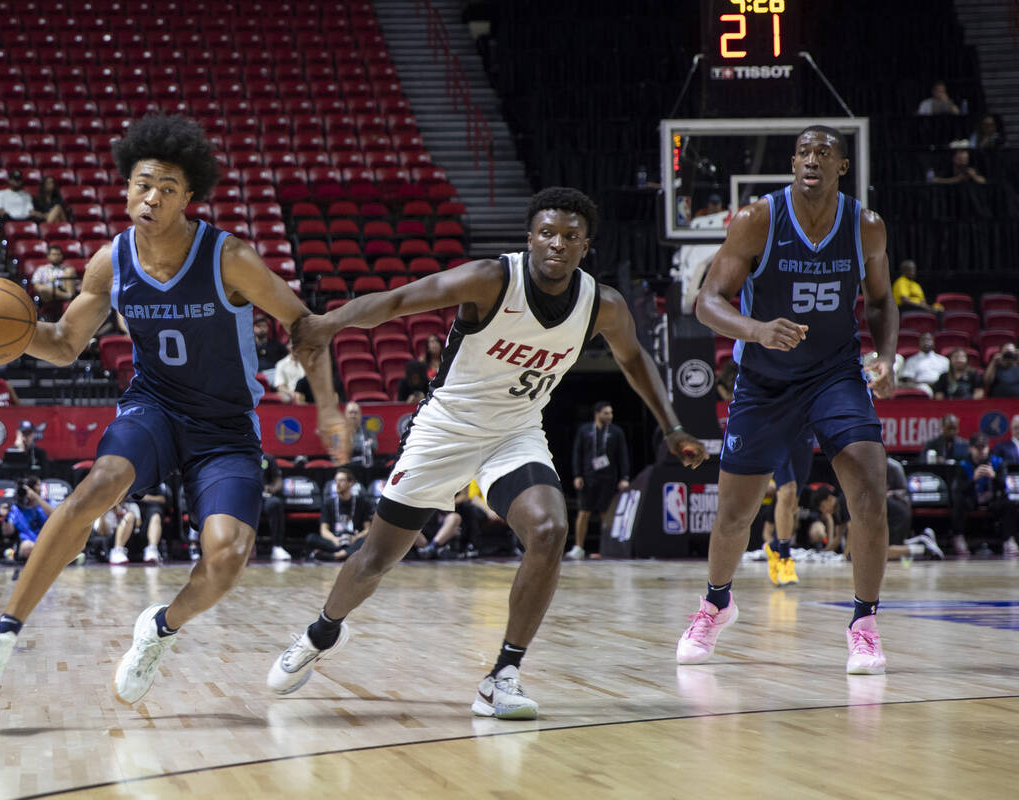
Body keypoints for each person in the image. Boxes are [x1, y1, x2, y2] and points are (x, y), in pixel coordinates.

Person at [267, 186, 707, 719]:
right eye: (547, 233)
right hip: (445, 429)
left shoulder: (603, 305)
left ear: (585, 246)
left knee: (549, 530)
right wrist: (329, 322)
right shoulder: (493, 278)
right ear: (530, 237)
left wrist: (672, 425)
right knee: (376, 559)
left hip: (515, 431)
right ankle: (321, 632)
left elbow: (635, 360)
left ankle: (503, 674)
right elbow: (402, 299)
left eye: (570, 237)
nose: (557, 244)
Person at [0, 114, 345, 703]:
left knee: (229, 555)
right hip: (153, 407)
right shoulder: (111, 263)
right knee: (96, 486)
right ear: (125, 188)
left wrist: (329, 406)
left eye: (166, 188)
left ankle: (160, 629)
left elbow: (305, 326)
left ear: (189, 197)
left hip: (224, 428)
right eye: (142, 184)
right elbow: (61, 344)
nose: (151, 197)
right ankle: (0, 636)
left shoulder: (229, 257)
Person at [676, 125, 897, 676]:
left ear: (842, 166)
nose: (811, 159)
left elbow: (882, 302)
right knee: (735, 513)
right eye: (803, 152)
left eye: (823, 152)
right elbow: (706, 302)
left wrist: (887, 357)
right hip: (765, 380)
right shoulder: (757, 219)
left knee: (870, 490)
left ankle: (864, 625)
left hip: (835, 375)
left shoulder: (865, 227)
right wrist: (754, 330)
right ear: (792, 163)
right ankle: (716, 604)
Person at [568, 400, 629, 560]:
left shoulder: (616, 432)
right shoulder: (585, 430)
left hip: (608, 478)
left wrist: (624, 477)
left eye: (611, 413)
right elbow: (577, 454)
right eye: (606, 413)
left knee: (605, 513)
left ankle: (605, 548)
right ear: (597, 414)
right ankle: (579, 547)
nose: (610, 416)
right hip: (588, 478)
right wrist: (577, 475)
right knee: (584, 512)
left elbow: (622, 456)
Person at [950, 433, 1018, 557]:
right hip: (972, 500)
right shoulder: (963, 465)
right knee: (959, 502)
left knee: (1009, 505)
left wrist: (994, 476)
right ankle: (958, 537)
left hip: (992, 500)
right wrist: (973, 479)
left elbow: (1005, 486)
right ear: (971, 449)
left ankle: (1009, 539)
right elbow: (959, 489)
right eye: (978, 448)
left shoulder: (998, 462)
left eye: (984, 448)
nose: (981, 451)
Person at [762, 430, 814, 587]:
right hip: (777, 428)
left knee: (792, 502)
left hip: (804, 432)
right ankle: (784, 557)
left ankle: (773, 547)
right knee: (787, 490)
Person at [305, 467, 371, 561]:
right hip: (336, 540)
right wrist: (334, 539)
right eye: (336, 481)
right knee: (310, 538)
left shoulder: (362, 503)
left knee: (367, 541)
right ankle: (347, 553)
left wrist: (356, 537)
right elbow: (324, 530)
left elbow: (367, 529)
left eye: (341, 481)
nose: (337, 484)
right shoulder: (328, 503)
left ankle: (336, 555)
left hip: (353, 540)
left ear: (350, 483)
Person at [3, 475, 53, 562]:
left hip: (47, 541)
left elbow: (54, 515)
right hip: (27, 543)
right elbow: (7, 532)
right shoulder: (15, 508)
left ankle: (12, 554)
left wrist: (36, 497)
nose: (40, 488)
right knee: (27, 547)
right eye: (38, 485)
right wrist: (5, 517)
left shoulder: (47, 503)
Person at [30, 245, 78, 320]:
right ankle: (68, 296)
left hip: (64, 288)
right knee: (42, 289)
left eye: (58, 254)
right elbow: (36, 285)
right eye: (54, 254)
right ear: (48, 256)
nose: (56, 256)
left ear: (62, 256)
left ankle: (69, 297)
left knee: (70, 271)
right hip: (49, 293)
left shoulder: (66, 269)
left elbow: (75, 284)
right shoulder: (42, 269)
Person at [259, 452, 289, 561]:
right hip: (245, 496)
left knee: (275, 503)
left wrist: (272, 488)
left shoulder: (267, 458)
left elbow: (278, 480)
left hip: (263, 497)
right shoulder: (240, 457)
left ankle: (277, 547)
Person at [136, 482, 169, 563]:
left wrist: (146, 498)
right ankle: (118, 549)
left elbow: (163, 499)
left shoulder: (157, 482)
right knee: (128, 515)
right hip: (134, 509)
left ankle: (152, 548)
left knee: (156, 516)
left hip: (151, 509)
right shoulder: (132, 479)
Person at [344, 401, 377, 469]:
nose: (353, 416)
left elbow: (375, 446)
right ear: (345, 415)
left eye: (356, 413)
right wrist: (366, 444)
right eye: (350, 413)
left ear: (360, 415)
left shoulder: (368, 431)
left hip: (366, 467)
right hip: (346, 468)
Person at [253, 316, 287, 380]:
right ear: (253, 328)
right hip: (255, 375)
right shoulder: (249, 346)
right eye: (258, 326)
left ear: (268, 328)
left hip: (273, 373)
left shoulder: (275, 344)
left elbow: (287, 356)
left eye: (264, 326)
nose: (261, 329)